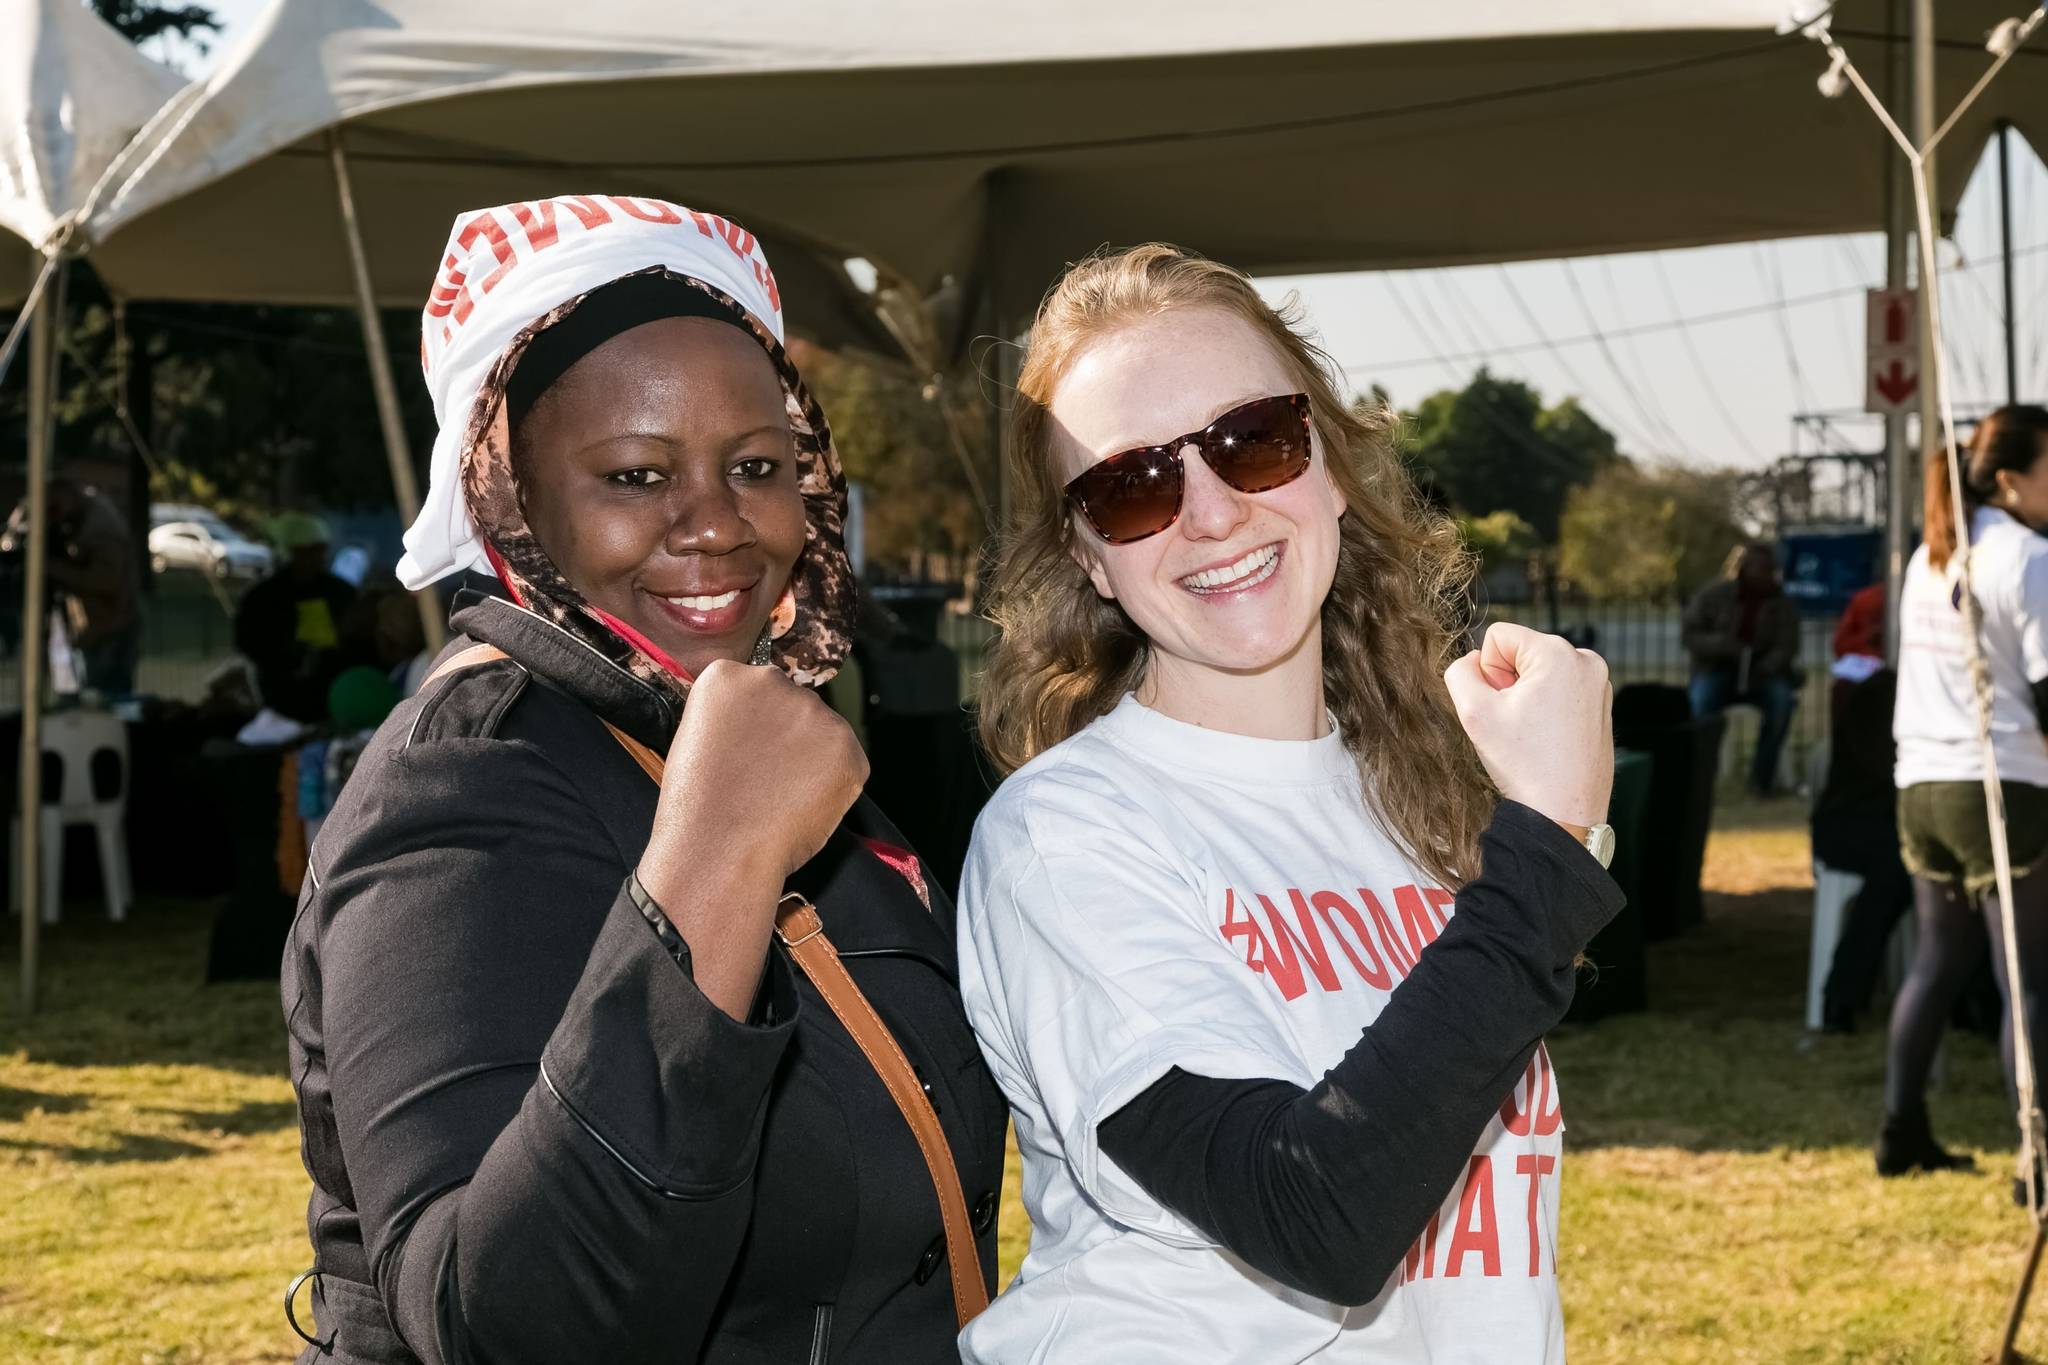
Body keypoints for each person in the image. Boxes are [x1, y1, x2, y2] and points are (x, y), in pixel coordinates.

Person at [280, 202, 1005, 1365]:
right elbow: (503, 1322)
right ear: (505, 494)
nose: (714, 524)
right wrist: (716, 863)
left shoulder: (725, 730)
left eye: (756, 466)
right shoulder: (468, 784)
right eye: (634, 474)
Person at [961, 245, 1622, 1361]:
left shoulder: (1418, 795)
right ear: (1085, 553)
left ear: (1326, 457)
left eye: (1251, 440)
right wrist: (1549, 849)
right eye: (1133, 487)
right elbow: (1307, 1214)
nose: (1210, 514)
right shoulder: (1064, 837)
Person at [1883, 405, 2048, 1195]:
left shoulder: (1932, 552)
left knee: (1938, 958)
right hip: (2001, 782)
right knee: (2032, 978)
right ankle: (2036, 1163)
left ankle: (1899, 1128)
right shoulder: (2025, 556)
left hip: (1922, 782)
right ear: (2011, 475)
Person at [2, 478, 145, 697]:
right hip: (89, 629)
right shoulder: (74, 517)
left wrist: (50, 567)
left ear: (67, 494)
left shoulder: (100, 526)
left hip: (112, 629)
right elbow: (12, 539)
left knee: (105, 701)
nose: (52, 518)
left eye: (53, 509)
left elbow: (107, 581)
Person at [1682, 542, 1802, 796]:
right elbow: (1691, 635)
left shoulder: (1781, 604)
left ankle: (1762, 781)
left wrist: (1768, 664)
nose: (1764, 574)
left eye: (1769, 569)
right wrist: (1723, 645)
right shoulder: (1714, 596)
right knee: (1700, 704)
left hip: (1762, 673)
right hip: (1717, 669)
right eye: (1758, 568)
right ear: (1744, 568)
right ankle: (1698, 776)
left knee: (1781, 702)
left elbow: (1788, 644)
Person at [233, 512, 357, 723]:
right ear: (291, 552)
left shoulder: (341, 592)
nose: (313, 557)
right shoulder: (263, 597)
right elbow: (246, 641)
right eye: (305, 551)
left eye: (318, 550)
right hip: (281, 697)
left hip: (335, 692)